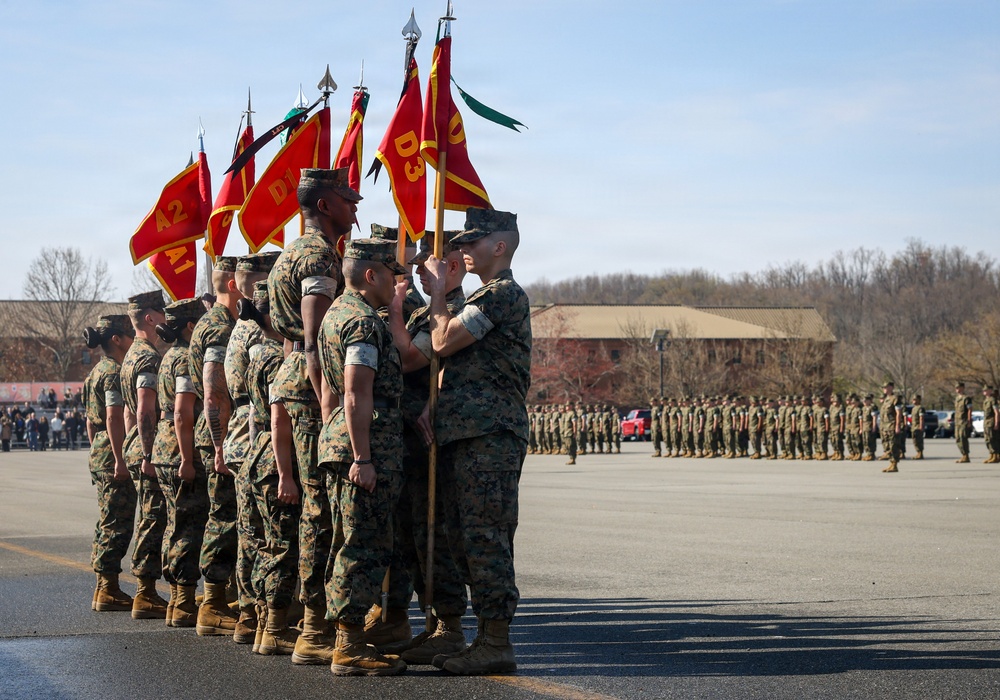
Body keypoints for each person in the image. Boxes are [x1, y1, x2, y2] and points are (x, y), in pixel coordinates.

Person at [423, 208, 529, 676]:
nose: (463, 251)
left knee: (486, 537)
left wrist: (441, 294)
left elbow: (444, 340)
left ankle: (496, 639)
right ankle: (478, 636)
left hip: (490, 434)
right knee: (461, 536)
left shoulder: (503, 296)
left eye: (473, 243)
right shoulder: (484, 295)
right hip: (464, 432)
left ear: (499, 247)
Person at [267, 167, 357, 665]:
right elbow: (317, 335)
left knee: (311, 509)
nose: (354, 208)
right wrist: (329, 405)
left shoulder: (290, 252)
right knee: (319, 510)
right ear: (325, 205)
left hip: (292, 382)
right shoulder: (319, 254)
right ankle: (314, 627)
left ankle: (302, 623)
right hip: (310, 389)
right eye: (347, 200)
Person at [317, 238, 409, 676]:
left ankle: (345, 637)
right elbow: (356, 393)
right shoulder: (361, 323)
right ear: (371, 275)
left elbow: (331, 392)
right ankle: (349, 645)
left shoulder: (334, 313)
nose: (397, 282)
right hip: (365, 444)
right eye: (391, 274)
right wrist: (363, 457)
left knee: (347, 540)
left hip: (341, 438)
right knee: (363, 543)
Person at [383, 228, 469, 665]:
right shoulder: (425, 313)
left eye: (427, 266)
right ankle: (433, 622)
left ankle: (449, 625)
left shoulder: (453, 310)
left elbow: (410, 359)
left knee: (437, 533)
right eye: (417, 267)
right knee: (418, 535)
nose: (418, 272)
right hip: (412, 438)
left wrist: (397, 306)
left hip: (435, 441)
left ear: (451, 265)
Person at [239, 281, 302, 656]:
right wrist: (286, 474)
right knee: (280, 545)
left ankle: (264, 622)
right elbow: (280, 421)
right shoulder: (278, 359)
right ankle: (275, 627)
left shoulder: (258, 353)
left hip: (258, 450)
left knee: (265, 543)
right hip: (276, 454)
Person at [226, 252, 281, 644]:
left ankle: (252, 615)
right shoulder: (259, 335)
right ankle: (260, 614)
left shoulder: (239, 328)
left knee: (251, 530)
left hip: (245, 433)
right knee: (265, 533)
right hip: (256, 431)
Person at [187, 256, 242, 636]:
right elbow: (211, 394)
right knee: (223, 517)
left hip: (213, 435)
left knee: (225, 515)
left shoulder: (216, 322)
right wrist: (221, 447)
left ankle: (221, 598)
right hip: (217, 437)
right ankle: (213, 604)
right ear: (235, 284)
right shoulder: (220, 327)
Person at [152, 298, 209, 628]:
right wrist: (188, 459)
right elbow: (182, 411)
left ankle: (177, 599)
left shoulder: (168, 356)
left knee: (175, 523)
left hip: (165, 448)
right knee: (187, 524)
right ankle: (184, 601)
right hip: (179, 450)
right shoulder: (186, 358)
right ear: (191, 326)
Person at [120, 290, 170, 620]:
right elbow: (144, 408)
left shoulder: (130, 356)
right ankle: (146, 593)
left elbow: (128, 413)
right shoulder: (148, 357)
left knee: (149, 517)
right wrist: (149, 452)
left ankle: (145, 590)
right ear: (150, 318)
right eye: (162, 314)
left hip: (134, 446)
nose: (167, 320)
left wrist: (132, 445)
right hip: (146, 449)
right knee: (153, 519)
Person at [82, 314, 137, 611]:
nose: (133, 340)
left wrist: (99, 450)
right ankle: (107, 589)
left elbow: (92, 422)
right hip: (114, 454)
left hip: (101, 451)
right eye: (129, 335)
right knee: (117, 522)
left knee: (107, 519)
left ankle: (104, 587)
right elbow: (114, 417)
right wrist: (119, 459)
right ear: (116, 339)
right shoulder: (114, 371)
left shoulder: (95, 372)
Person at [953, 382, 972, 464]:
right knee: (957, 438)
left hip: (964, 421)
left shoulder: (966, 398)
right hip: (957, 421)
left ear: (963, 388)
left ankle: (966, 455)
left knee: (963, 438)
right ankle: (963, 454)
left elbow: (970, 410)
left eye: (958, 387)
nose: (957, 389)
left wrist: (969, 420)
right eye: (956, 388)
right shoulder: (957, 399)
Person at [983, 385, 998, 464]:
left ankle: (995, 456)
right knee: (987, 439)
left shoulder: (993, 400)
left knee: (993, 439)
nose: (984, 391)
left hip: (991, 422)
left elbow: (996, 412)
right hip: (986, 423)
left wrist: (996, 423)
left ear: (990, 390)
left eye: (986, 390)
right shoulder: (986, 400)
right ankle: (991, 455)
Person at [910, 395, 925, 460]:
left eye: (915, 400)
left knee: (919, 440)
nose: (914, 401)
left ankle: (920, 453)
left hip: (918, 426)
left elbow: (921, 418)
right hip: (913, 426)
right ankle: (918, 452)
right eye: (913, 400)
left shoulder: (920, 408)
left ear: (919, 400)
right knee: (914, 440)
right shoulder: (914, 408)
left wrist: (921, 426)